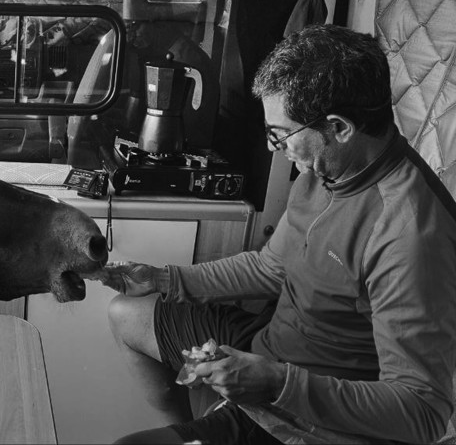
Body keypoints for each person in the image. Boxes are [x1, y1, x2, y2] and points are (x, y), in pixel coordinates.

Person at [91, 24, 456, 444]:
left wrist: (279, 384)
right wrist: (165, 280)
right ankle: (201, 423)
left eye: (280, 134)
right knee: (127, 312)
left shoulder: (409, 235)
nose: (272, 148)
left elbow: (422, 412)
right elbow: (271, 268)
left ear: (339, 127)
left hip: (311, 413)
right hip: (270, 349)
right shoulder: (325, 169)